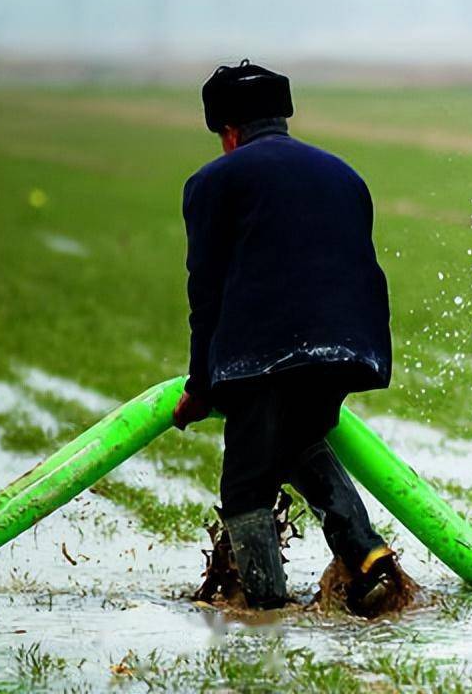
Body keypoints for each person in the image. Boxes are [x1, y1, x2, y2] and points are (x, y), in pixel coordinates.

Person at [173, 60, 408, 613]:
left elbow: (204, 292)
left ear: (227, 131)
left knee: (246, 488)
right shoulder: (345, 173)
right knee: (298, 439)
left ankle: (265, 606)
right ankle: (369, 555)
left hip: (266, 352)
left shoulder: (213, 181)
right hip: (356, 346)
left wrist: (200, 384)